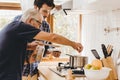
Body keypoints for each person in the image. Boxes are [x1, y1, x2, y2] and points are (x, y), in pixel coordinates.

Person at [0, 9, 83, 80]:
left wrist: (28, 51)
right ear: (30, 20)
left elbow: (10, 56)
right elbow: (53, 37)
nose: (39, 28)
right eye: (39, 24)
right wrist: (73, 44)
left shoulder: (14, 28)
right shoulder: (20, 26)